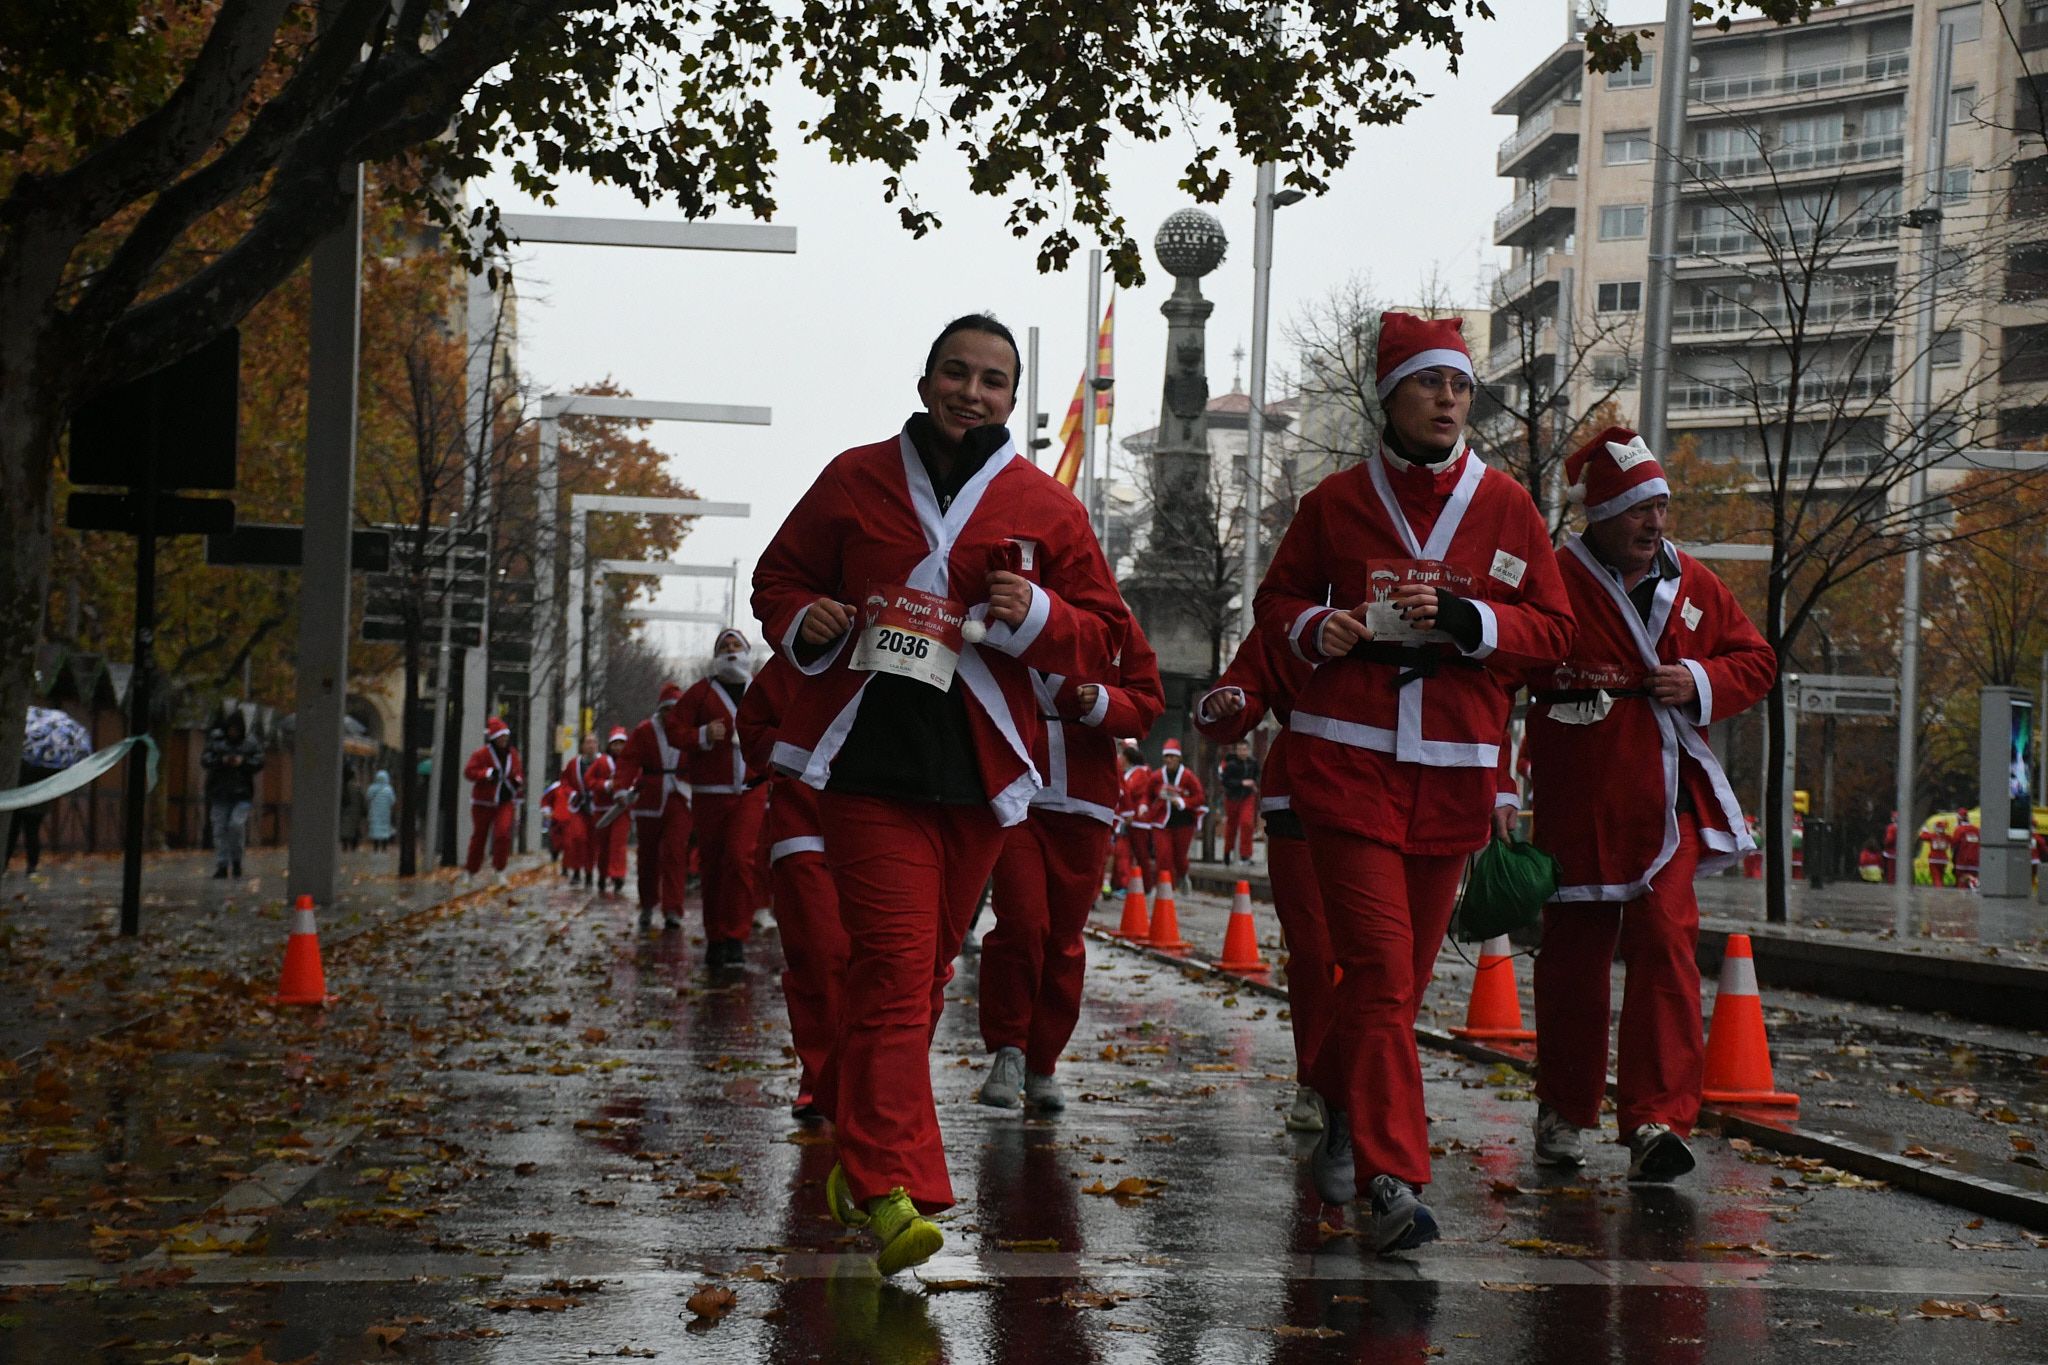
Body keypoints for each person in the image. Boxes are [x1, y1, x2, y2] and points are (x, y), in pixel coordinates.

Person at [752, 312, 1126, 1276]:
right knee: (892, 962)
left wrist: (1037, 611)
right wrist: (808, 617)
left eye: (994, 380)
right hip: (866, 762)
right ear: (926, 381)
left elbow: (1103, 632)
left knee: (920, 981)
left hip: (981, 776)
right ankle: (892, 1189)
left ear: (1012, 398)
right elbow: (779, 577)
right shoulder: (854, 477)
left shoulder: (1045, 505)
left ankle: (856, 1157)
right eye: (956, 372)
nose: (973, 390)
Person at [1252, 311, 1574, 1252]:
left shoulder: (1509, 507)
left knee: (1399, 980)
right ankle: (1394, 1176)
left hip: (1454, 772)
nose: (1446, 399)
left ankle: (1347, 1106)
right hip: (1344, 764)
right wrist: (1321, 628)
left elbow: (1555, 634)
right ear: (1388, 395)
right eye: (1429, 383)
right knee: (1386, 970)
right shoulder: (1335, 503)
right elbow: (1277, 603)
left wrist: (1474, 621)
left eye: (1459, 386)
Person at [1520, 427, 1776, 1185]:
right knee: (1573, 959)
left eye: (1661, 507)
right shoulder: (1555, 576)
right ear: (1598, 513)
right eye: (1638, 509)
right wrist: (1502, 784)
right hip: (1579, 794)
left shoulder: (1693, 583)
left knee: (1666, 935)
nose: (1654, 523)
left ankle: (1657, 1118)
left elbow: (1756, 658)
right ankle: (1564, 1106)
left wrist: (1697, 679)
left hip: (1667, 800)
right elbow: (1507, 669)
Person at [981, 618, 1164, 1112]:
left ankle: (1044, 1064)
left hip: (1086, 803)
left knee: (1064, 939)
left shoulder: (1118, 626)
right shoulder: (1004, 609)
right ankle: (1009, 1049)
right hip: (1016, 795)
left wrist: (1104, 703)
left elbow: (1147, 704)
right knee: (1021, 923)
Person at [1195, 621, 1326, 1133]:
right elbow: (1242, 687)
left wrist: (1495, 783)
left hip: (1396, 790)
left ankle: (1371, 1081)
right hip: (1301, 795)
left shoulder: (1417, 580)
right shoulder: (1289, 604)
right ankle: (1316, 1080)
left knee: (1386, 962)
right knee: (1315, 951)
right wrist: (1228, 702)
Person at [737, 653, 849, 1122]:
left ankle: (873, 1082)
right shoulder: (796, 657)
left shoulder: (903, 637)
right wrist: (795, 749)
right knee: (818, 957)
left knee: (886, 965)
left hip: (886, 826)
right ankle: (820, 1077)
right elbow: (754, 732)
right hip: (804, 827)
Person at [677, 631, 769, 967]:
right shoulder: (700, 693)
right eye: (724, 648)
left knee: (739, 859)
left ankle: (736, 936)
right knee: (713, 865)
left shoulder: (760, 688)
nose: (731, 653)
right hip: (710, 793)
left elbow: (782, 724)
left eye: (736, 647)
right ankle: (715, 936)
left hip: (751, 788)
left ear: (747, 652)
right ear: (715, 655)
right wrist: (702, 734)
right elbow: (674, 729)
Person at [618, 683, 694, 931]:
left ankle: (673, 909)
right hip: (650, 797)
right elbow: (628, 761)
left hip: (679, 796)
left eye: (675, 710)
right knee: (648, 855)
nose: (670, 716)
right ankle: (648, 904)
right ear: (660, 711)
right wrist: (621, 788)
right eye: (667, 710)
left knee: (675, 852)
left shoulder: (688, 731)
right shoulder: (644, 731)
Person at [201, 711, 265, 879]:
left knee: (236, 826)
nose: (233, 733)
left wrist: (243, 762)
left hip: (242, 794)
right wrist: (221, 761)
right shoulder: (217, 742)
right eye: (231, 729)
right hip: (219, 793)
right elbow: (205, 760)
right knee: (220, 829)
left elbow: (259, 761)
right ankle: (222, 864)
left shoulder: (250, 743)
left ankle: (236, 860)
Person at [462, 715, 523, 881]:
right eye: (501, 737)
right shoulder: (481, 754)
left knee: (503, 834)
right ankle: (471, 870)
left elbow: (518, 772)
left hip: (505, 800)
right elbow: (469, 772)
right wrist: (487, 773)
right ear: (494, 738)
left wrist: (517, 781)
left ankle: (500, 869)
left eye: (506, 736)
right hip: (483, 802)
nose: (504, 739)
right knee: (479, 837)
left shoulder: (512, 754)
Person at [1145, 738, 1205, 889]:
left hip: (1183, 822)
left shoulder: (1188, 776)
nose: (1169, 760)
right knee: (1163, 856)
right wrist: (1143, 806)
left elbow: (1199, 797)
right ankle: (1165, 889)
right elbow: (1147, 795)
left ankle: (1183, 875)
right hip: (1161, 821)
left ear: (1179, 758)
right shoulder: (1157, 776)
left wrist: (1183, 802)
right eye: (1167, 756)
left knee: (1180, 858)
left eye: (1173, 756)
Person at [583, 727, 632, 895]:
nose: (619, 748)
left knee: (618, 843)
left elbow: (639, 779)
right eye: (615, 744)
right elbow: (589, 780)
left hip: (621, 809)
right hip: (602, 810)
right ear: (610, 745)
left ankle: (618, 874)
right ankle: (603, 875)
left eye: (622, 744)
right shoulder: (601, 762)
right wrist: (605, 785)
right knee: (603, 846)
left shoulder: (631, 761)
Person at [560, 731, 606, 886]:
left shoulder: (604, 762)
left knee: (593, 842)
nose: (591, 745)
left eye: (594, 742)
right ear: (582, 746)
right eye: (588, 742)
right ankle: (576, 870)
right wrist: (572, 794)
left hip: (597, 808)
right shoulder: (574, 764)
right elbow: (565, 782)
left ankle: (588, 872)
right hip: (579, 807)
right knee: (578, 838)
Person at [1118, 743, 1157, 891]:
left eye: (1122, 755)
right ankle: (1125, 884)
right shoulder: (1128, 773)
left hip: (1138, 822)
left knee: (1141, 855)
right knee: (1124, 855)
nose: (1119, 758)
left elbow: (1130, 790)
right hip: (1128, 820)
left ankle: (1146, 886)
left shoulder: (1140, 772)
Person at [1218, 739, 1260, 866]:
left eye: (1245, 749)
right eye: (1240, 750)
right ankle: (1227, 851)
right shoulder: (1230, 764)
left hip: (1247, 797)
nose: (1243, 752)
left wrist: (1254, 784)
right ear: (1236, 751)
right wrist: (1241, 783)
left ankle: (1245, 855)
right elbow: (1225, 781)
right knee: (1231, 826)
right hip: (1232, 798)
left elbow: (1257, 776)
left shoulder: (1253, 763)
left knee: (1247, 823)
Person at [365, 769, 396, 853]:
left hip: (374, 812)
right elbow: (393, 801)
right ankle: (384, 848)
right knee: (385, 829)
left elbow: (368, 798)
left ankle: (376, 847)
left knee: (375, 829)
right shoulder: (389, 789)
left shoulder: (372, 788)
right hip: (385, 814)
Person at [1951, 808, 1981, 890]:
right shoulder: (1977, 830)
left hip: (1962, 862)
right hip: (1975, 862)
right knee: (1972, 884)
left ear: (1959, 818)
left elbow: (1954, 844)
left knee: (1961, 884)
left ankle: (1962, 902)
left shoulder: (1959, 830)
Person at [339, 768, 366, 852]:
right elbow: (363, 800)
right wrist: (364, 811)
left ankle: (345, 846)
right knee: (354, 830)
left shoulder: (342, 787)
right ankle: (353, 848)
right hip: (356, 813)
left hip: (345, 812)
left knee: (345, 829)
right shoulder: (357, 787)